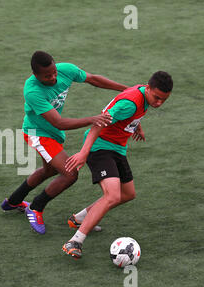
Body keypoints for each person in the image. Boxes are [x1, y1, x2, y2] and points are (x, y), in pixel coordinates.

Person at [1, 51, 128, 234]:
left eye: (54, 72)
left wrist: (125, 89)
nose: (53, 78)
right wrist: (92, 119)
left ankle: (13, 201)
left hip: (53, 133)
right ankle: (36, 207)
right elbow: (59, 122)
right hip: (39, 133)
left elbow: (94, 79)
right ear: (35, 75)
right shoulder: (32, 90)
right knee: (70, 173)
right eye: (47, 76)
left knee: (50, 170)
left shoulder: (65, 70)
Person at [62, 71, 173, 259]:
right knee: (112, 195)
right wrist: (84, 152)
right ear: (148, 88)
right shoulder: (129, 103)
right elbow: (99, 123)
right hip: (100, 146)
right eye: (156, 97)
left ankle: (79, 218)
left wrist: (137, 125)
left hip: (117, 148)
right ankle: (75, 241)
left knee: (128, 194)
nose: (159, 103)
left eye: (164, 100)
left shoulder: (142, 93)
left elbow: (133, 112)